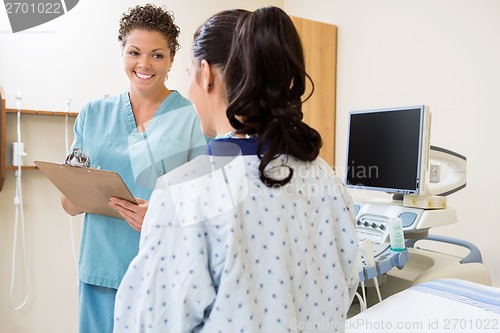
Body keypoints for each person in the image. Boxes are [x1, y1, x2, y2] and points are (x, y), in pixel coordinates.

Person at [113, 6, 358, 332]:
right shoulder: (326, 178)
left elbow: (149, 324)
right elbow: (346, 286)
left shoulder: (185, 193)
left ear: (205, 74)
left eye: (188, 74)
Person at [61, 4, 207, 333]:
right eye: (134, 52)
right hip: (98, 271)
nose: (144, 64)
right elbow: (69, 205)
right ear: (122, 53)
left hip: (160, 275)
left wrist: (160, 215)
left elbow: (204, 209)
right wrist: (76, 184)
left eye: (157, 55)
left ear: (172, 60)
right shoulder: (93, 114)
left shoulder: (191, 118)